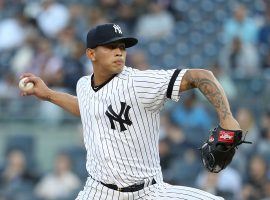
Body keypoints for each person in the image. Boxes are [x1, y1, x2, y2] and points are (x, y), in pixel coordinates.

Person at [20, 23, 241, 200]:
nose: (119, 52)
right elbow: (86, 108)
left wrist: (227, 117)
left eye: (122, 47)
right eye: (110, 47)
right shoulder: (84, 85)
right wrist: (49, 94)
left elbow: (200, 76)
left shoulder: (139, 82)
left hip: (148, 192)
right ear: (91, 54)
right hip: (98, 192)